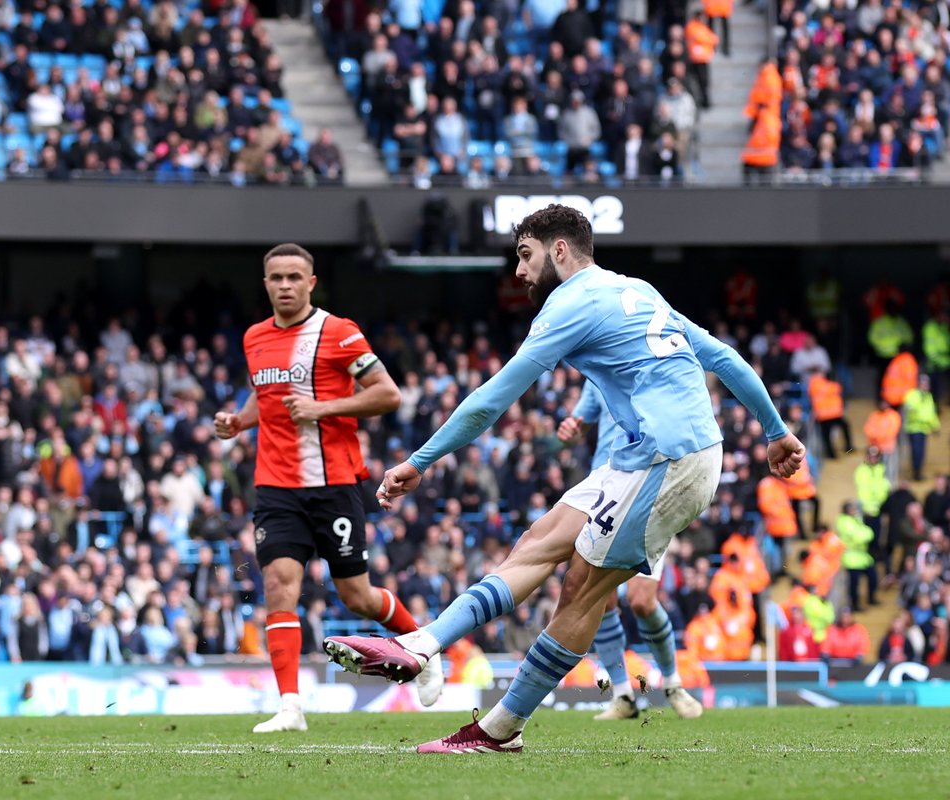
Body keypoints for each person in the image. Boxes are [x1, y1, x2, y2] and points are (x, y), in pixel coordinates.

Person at [323, 204, 804, 753]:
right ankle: (422, 643)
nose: (519, 272)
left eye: (525, 256)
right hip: (638, 456)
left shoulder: (569, 303)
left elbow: (492, 400)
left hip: (673, 459)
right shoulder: (637, 290)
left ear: (559, 250)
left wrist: (419, 461)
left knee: (582, 590)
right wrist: (775, 431)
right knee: (538, 543)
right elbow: (724, 358)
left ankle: (498, 731)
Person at [215, 243, 444, 733]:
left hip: (334, 483)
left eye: (294, 277)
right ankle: (290, 706)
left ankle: (425, 645)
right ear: (266, 284)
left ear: (311, 282)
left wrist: (321, 409)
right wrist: (239, 421)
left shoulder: (338, 333)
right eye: (276, 277)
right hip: (276, 485)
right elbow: (267, 396)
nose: (285, 286)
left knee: (356, 596)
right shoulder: (255, 338)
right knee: (278, 586)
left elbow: (388, 394)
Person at [564, 381, 703, 721]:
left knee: (641, 600)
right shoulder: (596, 371)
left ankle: (672, 684)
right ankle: (623, 695)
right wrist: (573, 428)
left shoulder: (659, 366)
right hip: (606, 488)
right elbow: (580, 420)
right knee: (601, 598)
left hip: (650, 490)